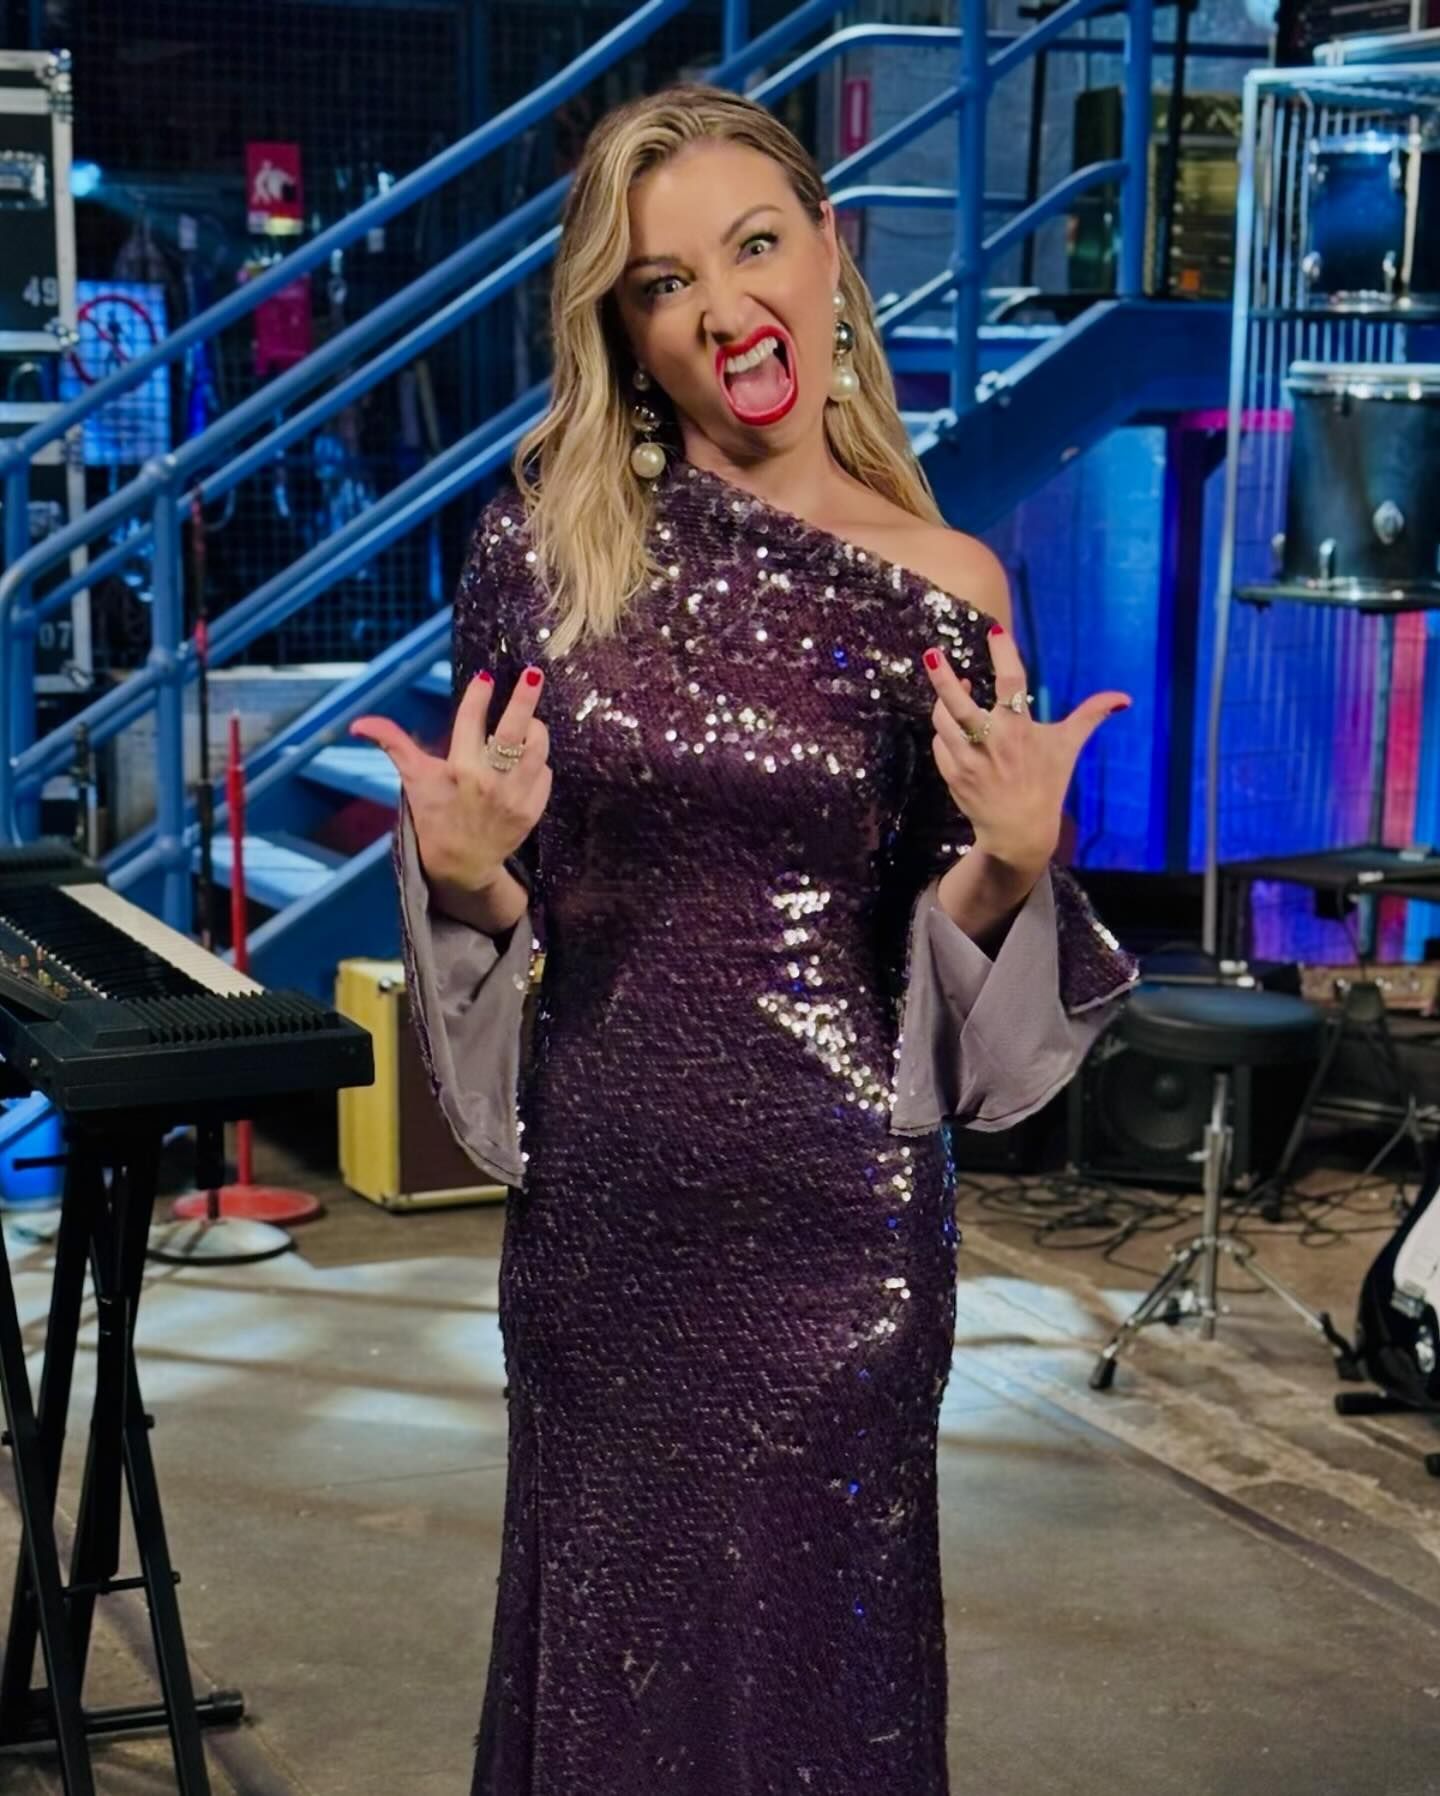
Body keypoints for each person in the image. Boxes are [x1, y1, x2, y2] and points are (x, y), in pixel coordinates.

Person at [351, 81, 1139, 1796]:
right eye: (665, 281)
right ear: (626, 332)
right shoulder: (539, 555)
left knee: (813, 1693)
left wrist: (1013, 862)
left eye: (756, 244)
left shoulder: (949, 584)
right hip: (609, 1223)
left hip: (840, 1232)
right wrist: (470, 874)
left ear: (832, 256)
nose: (723, 304)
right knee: (610, 1679)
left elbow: (938, 965)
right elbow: (528, 914)